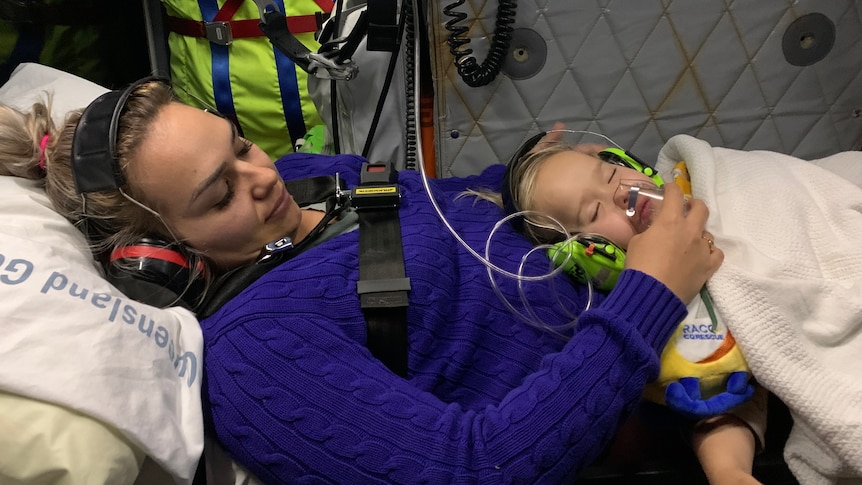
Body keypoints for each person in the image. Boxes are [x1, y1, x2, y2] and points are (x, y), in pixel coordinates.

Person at [0, 78, 723, 483]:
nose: (261, 178)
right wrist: (651, 295)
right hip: (663, 398)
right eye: (218, 195)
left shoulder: (309, 179)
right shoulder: (255, 356)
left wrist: (541, 176)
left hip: (645, 278)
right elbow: (476, 467)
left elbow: (462, 211)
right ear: (162, 253)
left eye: (241, 144)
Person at [494, 126, 862, 484]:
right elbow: (720, 406)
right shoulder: (667, 318)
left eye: (609, 173)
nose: (622, 194)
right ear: (583, 255)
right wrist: (729, 473)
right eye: (593, 213)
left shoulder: (700, 176)